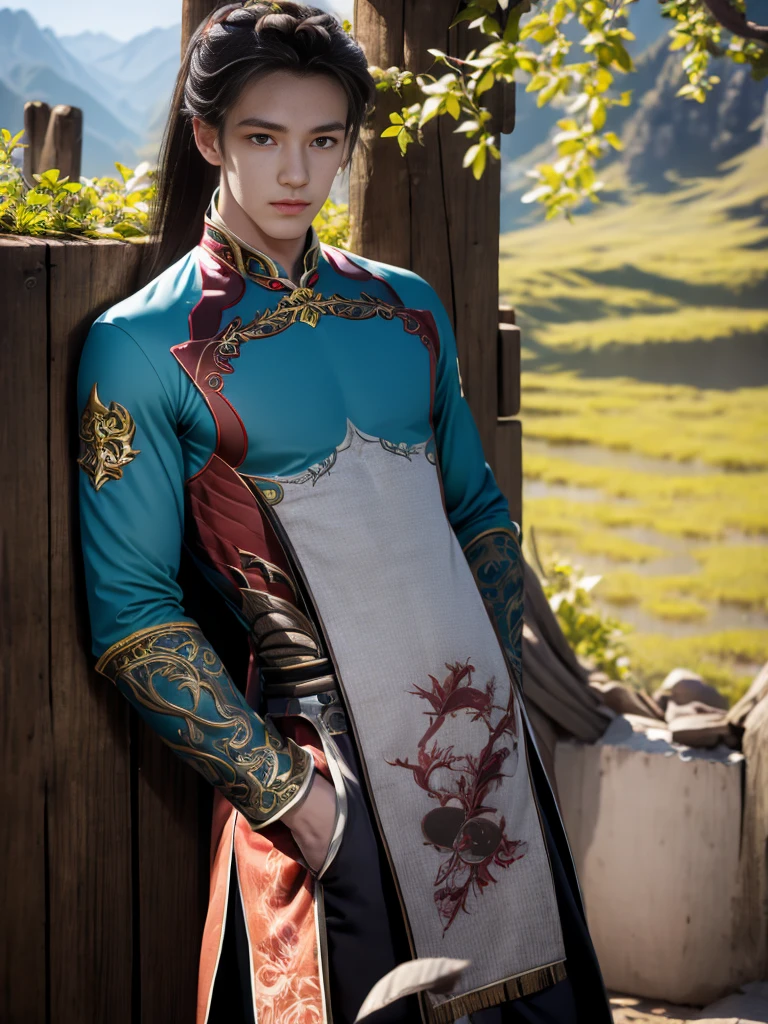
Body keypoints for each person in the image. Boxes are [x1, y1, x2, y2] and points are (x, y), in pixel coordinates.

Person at [76, 3, 613, 1022]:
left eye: (324, 141)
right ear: (207, 139)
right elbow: (134, 616)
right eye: (263, 138)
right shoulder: (137, 348)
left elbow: (480, 515)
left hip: (487, 774)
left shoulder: (408, 306)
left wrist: (491, 720)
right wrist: (301, 806)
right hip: (322, 781)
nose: (297, 173)